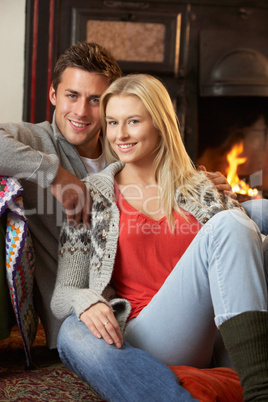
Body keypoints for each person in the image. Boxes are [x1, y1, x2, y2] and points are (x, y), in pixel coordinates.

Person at [0, 41, 246, 350]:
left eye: (95, 100)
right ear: (53, 94)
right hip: (86, 310)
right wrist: (55, 175)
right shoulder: (34, 140)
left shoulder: (124, 147)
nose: (81, 111)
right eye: (72, 96)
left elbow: (169, 188)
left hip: (166, 304)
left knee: (256, 213)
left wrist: (202, 185)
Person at [51, 74, 268, 401]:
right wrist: (87, 301)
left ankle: (253, 379)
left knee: (248, 216)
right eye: (112, 122)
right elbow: (62, 294)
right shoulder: (91, 195)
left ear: (161, 125)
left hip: (221, 332)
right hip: (152, 334)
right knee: (72, 333)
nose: (119, 134)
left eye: (133, 121)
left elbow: (244, 237)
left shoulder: (200, 187)